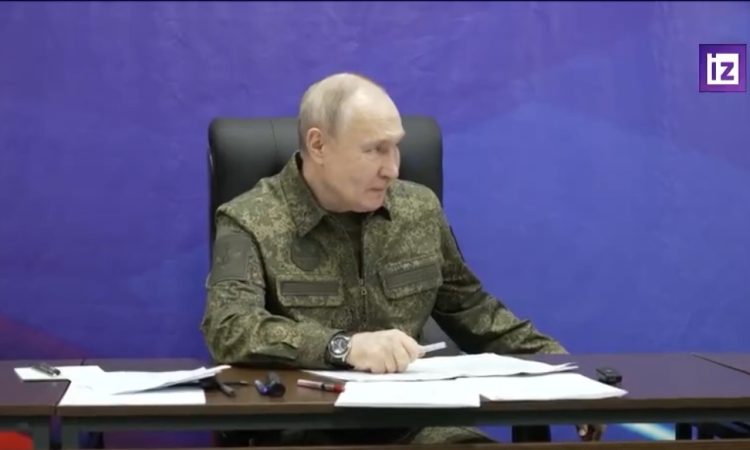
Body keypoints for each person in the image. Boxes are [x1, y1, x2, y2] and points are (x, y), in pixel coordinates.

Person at [200, 72, 604, 445]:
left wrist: (567, 375)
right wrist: (343, 347)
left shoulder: (418, 210)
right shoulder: (249, 219)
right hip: (306, 424)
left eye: (396, 147)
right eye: (375, 150)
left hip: (416, 424)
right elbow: (229, 328)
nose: (392, 168)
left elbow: (474, 312)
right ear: (318, 145)